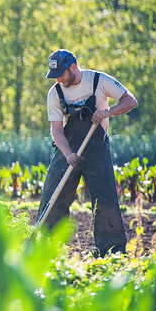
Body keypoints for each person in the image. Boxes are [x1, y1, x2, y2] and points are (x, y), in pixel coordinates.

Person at [36, 49, 138, 255]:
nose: (57, 80)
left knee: (104, 198)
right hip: (67, 148)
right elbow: (56, 130)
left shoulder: (99, 80)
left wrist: (107, 112)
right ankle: (47, 248)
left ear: (73, 67)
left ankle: (111, 250)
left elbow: (130, 101)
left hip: (97, 148)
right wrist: (67, 155)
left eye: (61, 75)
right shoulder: (55, 92)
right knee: (53, 196)